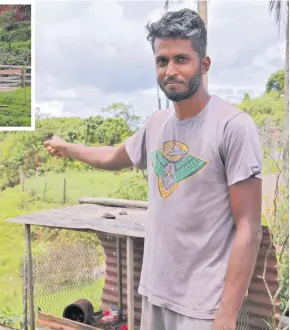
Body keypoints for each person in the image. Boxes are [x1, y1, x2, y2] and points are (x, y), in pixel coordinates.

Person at [43, 8, 263, 330]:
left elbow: (249, 228)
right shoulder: (156, 125)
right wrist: (67, 147)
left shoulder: (232, 126)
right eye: (162, 61)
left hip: (202, 306)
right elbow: (112, 157)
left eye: (181, 59)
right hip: (154, 293)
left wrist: (227, 316)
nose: (170, 70)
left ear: (204, 64)